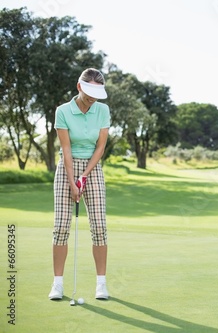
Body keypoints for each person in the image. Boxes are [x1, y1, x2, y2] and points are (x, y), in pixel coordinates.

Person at [48, 68, 111, 301]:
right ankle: (57, 284)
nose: (93, 97)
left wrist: (84, 176)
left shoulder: (102, 110)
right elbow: (65, 148)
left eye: (97, 92)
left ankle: (101, 284)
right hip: (67, 166)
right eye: (89, 92)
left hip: (92, 168)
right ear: (79, 87)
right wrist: (73, 180)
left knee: (99, 227)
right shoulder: (63, 111)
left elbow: (100, 147)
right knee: (62, 226)